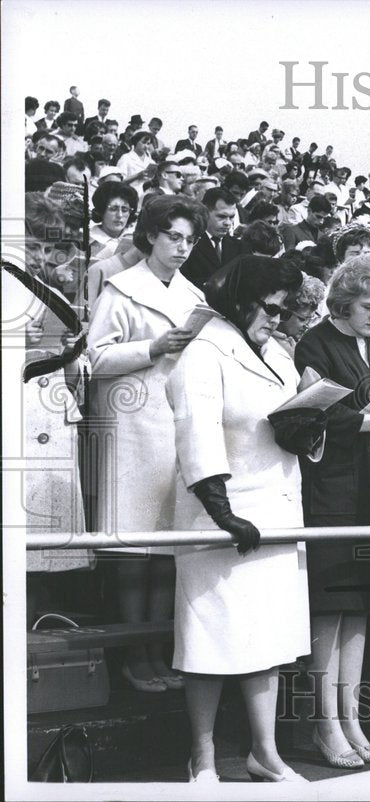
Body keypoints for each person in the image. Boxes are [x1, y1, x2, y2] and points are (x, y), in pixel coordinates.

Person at [166, 255, 309, 783]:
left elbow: (286, 419)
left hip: (274, 512)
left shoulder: (276, 353)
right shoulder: (203, 352)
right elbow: (195, 430)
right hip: (218, 520)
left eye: (282, 310)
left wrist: (309, 423)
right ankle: (201, 754)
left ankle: (264, 753)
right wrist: (221, 510)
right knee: (209, 639)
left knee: (267, 638)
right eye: (270, 309)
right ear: (241, 301)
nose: (278, 318)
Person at [294, 254, 370, 768]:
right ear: (344, 299)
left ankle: (352, 720)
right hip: (332, 485)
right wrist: (368, 422)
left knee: (361, 606)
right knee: (331, 605)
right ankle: (325, 725)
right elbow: (310, 412)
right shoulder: (315, 342)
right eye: (368, 306)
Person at [87, 195, 207, 693]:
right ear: (151, 236)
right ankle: (135, 657)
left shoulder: (194, 293)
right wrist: (152, 348)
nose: (182, 247)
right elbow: (95, 357)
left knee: (166, 550)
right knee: (133, 548)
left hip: (174, 424)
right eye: (173, 236)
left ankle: (159, 650)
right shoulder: (120, 288)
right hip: (133, 429)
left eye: (190, 239)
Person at [8, 193, 93, 623]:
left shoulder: (45, 288)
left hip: (48, 418)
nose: (40, 256)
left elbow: (67, 361)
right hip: (16, 424)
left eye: (46, 247)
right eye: (32, 244)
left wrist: (72, 353)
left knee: (41, 552)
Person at [180, 188, 242, 288]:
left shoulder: (241, 248)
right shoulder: (187, 245)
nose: (228, 223)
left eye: (231, 217)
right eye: (221, 216)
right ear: (204, 212)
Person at [88, 182, 138, 264]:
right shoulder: (88, 238)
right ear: (101, 210)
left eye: (125, 209)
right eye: (113, 209)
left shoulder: (135, 238)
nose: (119, 215)